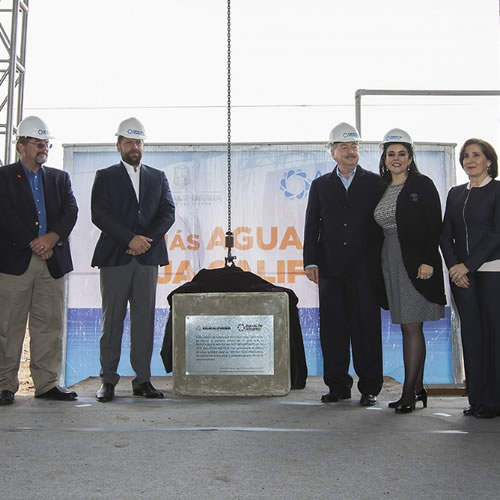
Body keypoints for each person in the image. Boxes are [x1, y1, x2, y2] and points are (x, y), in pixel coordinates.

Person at [91, 117, 175, 403]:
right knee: (112, 321)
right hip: (115, 257)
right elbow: (99, 214)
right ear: (119, 145)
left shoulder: (158, 176)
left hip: (147, 258)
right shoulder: (105, 176)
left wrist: (144, 241)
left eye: (138, 142)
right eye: (129, 142)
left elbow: (168, 212)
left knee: (144, 321)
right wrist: (129, 239)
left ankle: (142, 380)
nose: (134, 147)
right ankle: (108, 381)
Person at [303, 122, 384, 406]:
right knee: (333, 329)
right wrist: (310, 261)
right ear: (333, 152)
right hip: (331, 269)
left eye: (354, 147)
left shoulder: (375, 182)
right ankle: (337, 385)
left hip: (366, 270)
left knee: (367, 329)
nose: (351, 152)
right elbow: (312, 224)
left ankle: (370, 388)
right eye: (344, 147)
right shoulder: (320, 185)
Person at [0, 116, 79, 405]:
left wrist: (52, 237)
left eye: (46, 143)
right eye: (37, 143)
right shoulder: (4, 176)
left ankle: (46, 384)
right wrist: (32, 241)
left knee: (49, 325)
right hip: (14, 262)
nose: (43, 147)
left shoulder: (60, 178)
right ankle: (4, 385)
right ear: (21, 146)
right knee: (8, 326)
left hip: (52, 262)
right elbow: (4, 215)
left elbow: (71, 210)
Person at [374, 129, 445, 414]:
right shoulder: (382, 187)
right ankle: (417, 388)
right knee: (406, 326)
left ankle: (408, 393)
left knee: (412, 326)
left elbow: (434, 225)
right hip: (390, 261)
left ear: (410, 157)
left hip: (416, 264)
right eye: (391, 154)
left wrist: (428, 260)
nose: (396, 158)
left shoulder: (422, 185)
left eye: (402, 153)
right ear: (384, 158)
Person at [440, 138, 500, 419]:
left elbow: (496, 235)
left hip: (491, 272)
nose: (469, 160)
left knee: (493, 336)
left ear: (489, 161)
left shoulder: (498, 191)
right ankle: (476, 399)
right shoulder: (455, 194)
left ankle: (494, 401)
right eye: (465, 156)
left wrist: (468, 266)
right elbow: (444, 234)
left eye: (476, 155)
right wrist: (454, 266)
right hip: (461, 276)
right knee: (472, 336)